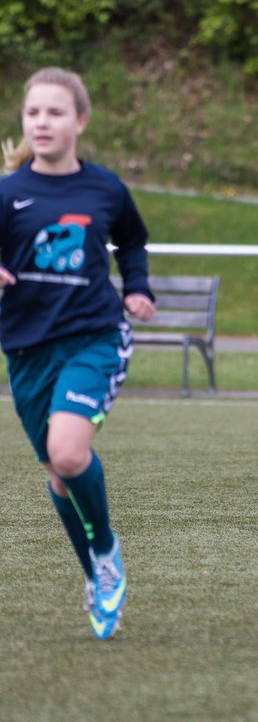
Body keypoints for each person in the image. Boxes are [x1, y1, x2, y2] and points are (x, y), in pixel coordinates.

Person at [1, 68, 155, 639]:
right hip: (26, 350)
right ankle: (95, 572)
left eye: (55, 112)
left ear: (79, 122)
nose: (42, 121)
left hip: (94, 336)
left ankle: (107, 552)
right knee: (59, 477)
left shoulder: (106, 189)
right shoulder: (7, 193)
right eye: (33, 112)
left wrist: (137, 287)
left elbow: (132, 239)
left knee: (68, 453)